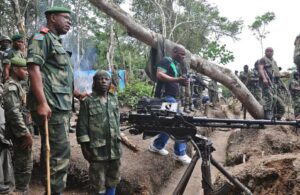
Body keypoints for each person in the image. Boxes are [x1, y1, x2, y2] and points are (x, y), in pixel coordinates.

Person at [27, 6, 86, 194]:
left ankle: (51, 190)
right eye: (66, 18)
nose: (70, 22)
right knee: (59, 153)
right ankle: (55, 191)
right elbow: (34, 69)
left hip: (59, 105)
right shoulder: (41, 38)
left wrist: (75, 93)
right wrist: (42, 103)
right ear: (52, 18)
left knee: (53, 150)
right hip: (51, 106)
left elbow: (56, 75)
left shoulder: (56, 42)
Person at [76, 70, 121, 195]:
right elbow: (82, 126)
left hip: (114, 149)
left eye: (106, 79)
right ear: (94, 82)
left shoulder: (113, 99)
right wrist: (84, 148)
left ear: (110, 82)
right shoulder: (88, 101)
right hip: (97, 150)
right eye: (100, 79)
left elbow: (117, 122)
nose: (103, 81)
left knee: (113, 179)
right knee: (97, 183)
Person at [149, 45, 191, 165]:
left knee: (169, 123)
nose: (183, 57)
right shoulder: (166, 60)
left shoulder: (175, 65)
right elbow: (160, 75)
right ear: (174, 52)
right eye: (181, 54)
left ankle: (157, 146)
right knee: (181, 122)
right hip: (165, 98)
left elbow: (173, 80)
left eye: (184, 55)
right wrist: (178, 80)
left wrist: (182, 82)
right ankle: (180, 153)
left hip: (172, 98)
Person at [3, 57, 33, 194]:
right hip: (18, 133)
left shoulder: (18, 85)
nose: (27, 72)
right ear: (15, 69)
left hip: (21, 129)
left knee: (24, 163)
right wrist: (25, 134)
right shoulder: (11, 87)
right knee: (23, 165)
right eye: (24, 69)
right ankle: (20, 191)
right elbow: (13, 113)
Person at [258, 47, 285, 119]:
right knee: (268, 97)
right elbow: (261, 69)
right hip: (267, 81)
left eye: (271, 51)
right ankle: (267, 112)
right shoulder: (263, 59)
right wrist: (264, 78)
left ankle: (276, 115)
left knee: (276, 99)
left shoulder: (274, 61)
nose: (269, 52)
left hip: (274, 82)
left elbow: (276, 72)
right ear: (265, 52)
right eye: (268, 51)